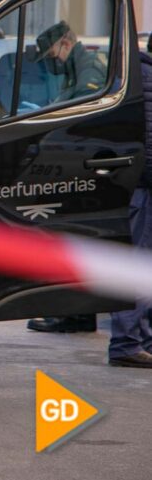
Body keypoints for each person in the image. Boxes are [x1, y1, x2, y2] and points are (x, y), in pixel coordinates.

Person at [26, 21, 108, 334]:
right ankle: (78, 314)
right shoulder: (78, 70)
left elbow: (82, 116)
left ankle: (73, 315)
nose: (52, 62)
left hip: (83, 168)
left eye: (51, 55)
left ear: (64, 45)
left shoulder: (88, 72)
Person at [107, 36, 152, 367]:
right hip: (143, 187)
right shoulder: (145, 81)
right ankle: (126, 343)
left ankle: (137, 339)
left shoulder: (136, 77)